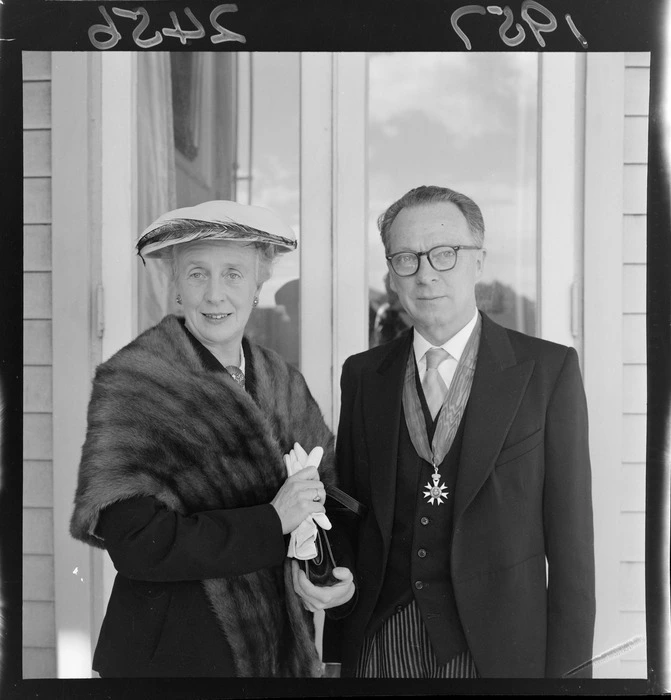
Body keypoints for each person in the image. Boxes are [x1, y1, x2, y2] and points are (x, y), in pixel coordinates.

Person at [69, 200, 354, 678]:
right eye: (197, 274)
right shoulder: (134, 382)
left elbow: (327, 503)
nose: (215, 294)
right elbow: (139, 543)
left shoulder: (282, 381)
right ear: (176, 288)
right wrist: (271, 522)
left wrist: (326, 574)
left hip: (277, 648)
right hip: (174, 653)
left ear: (258, 287)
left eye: (234, 274)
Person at [329, 185, 595, 678]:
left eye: (445, 254)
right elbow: (349, 511)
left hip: (502, 652)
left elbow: (573, 550)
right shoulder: (363, 376)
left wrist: (571, 680)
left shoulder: (547, 371)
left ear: (478, 261)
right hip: (383, 646)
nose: (426, 273)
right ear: (392, 273)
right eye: (406, 258)